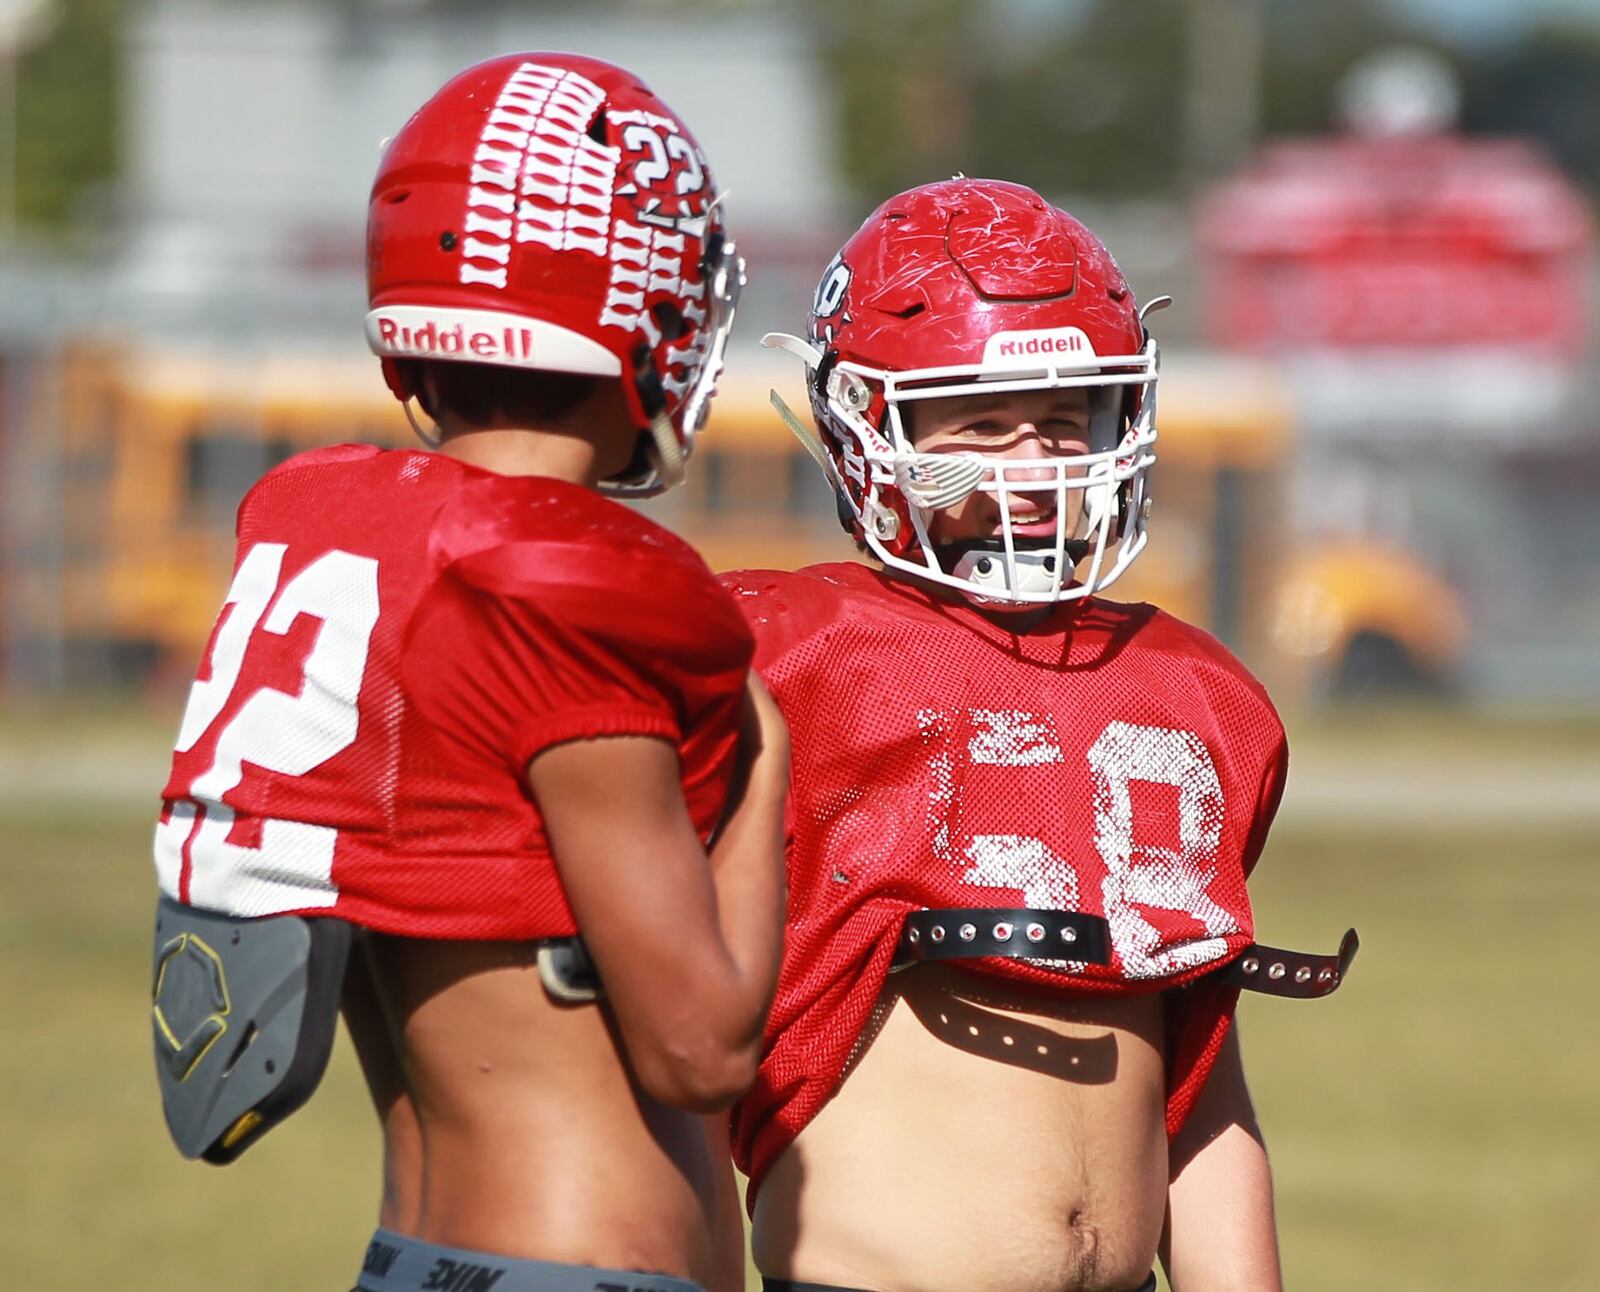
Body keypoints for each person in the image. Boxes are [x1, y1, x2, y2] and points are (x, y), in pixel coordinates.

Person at [149, 53, 787, 1292]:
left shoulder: (320, 516)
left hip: (412, 1247)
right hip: (589, 1251)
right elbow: (700, 1050)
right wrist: (765, 757)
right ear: (642, 300)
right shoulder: (564, 579)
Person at [726, 178, 1356, 1292]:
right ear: (867, 427)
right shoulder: (791, 653)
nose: (1032, 460)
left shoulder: (1185, 685)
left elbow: (1199, 1072)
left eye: (1065, 416)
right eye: (978, 419)